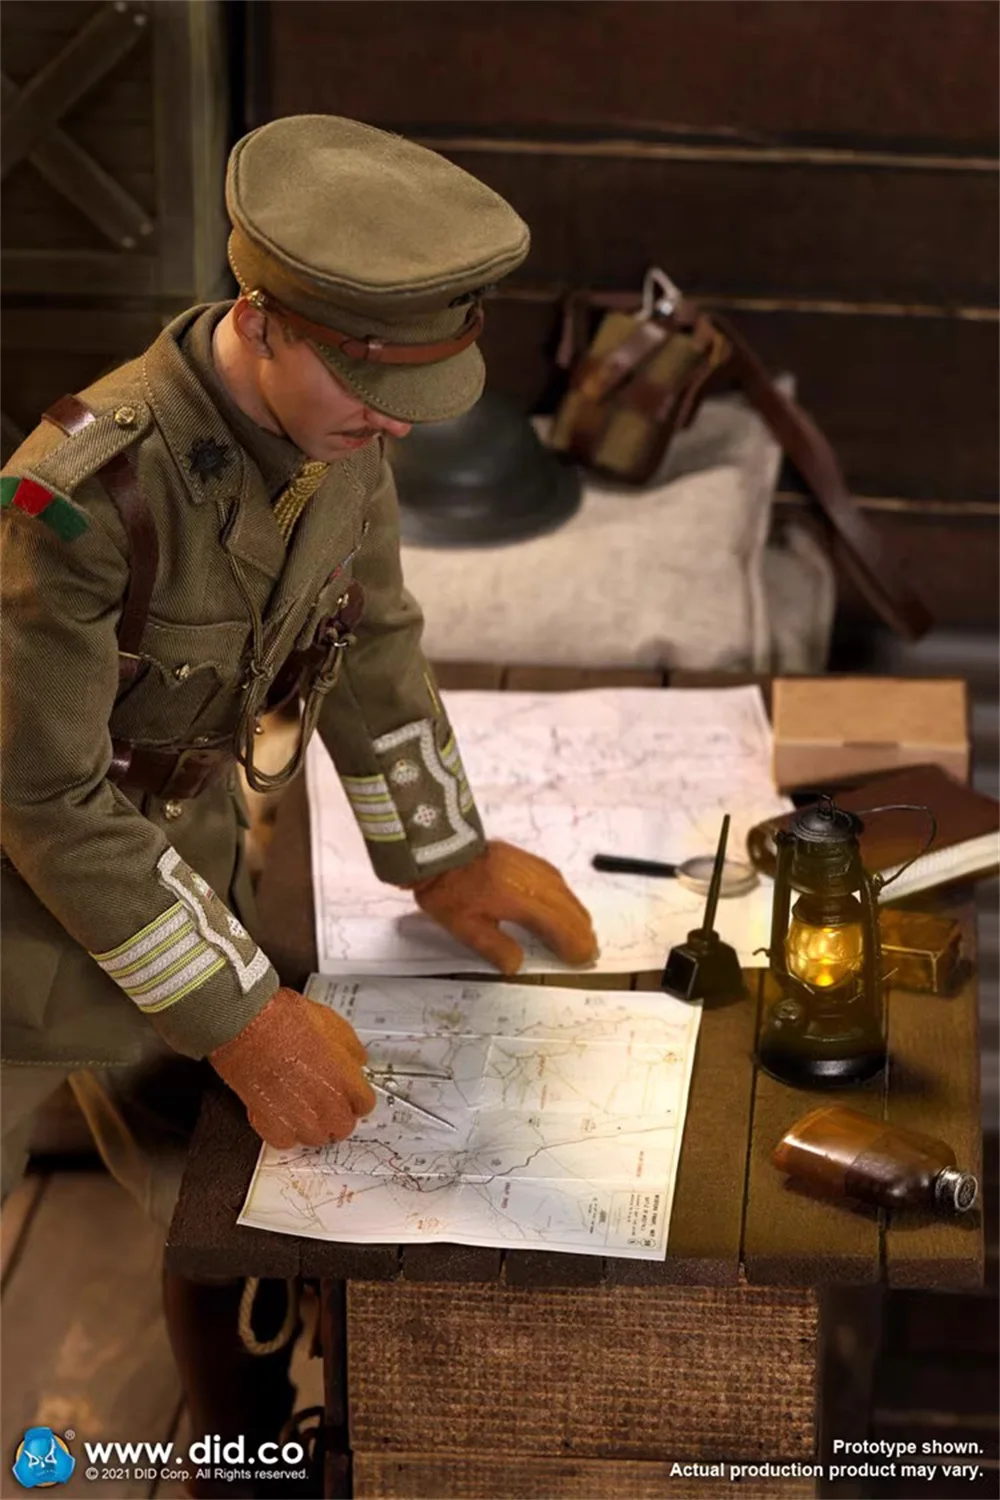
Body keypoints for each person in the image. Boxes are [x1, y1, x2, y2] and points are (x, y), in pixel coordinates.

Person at [0, 114, 597, 1486]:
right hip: (15, 914)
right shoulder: (79, 497)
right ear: (263, 320)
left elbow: (369, 640)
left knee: (222, 1205)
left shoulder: (341, 446)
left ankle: (238, 1454)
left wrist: (443, 854)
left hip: (179, 879)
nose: (395, 424)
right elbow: (43, 795)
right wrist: (245, 1015)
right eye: (371, 387)